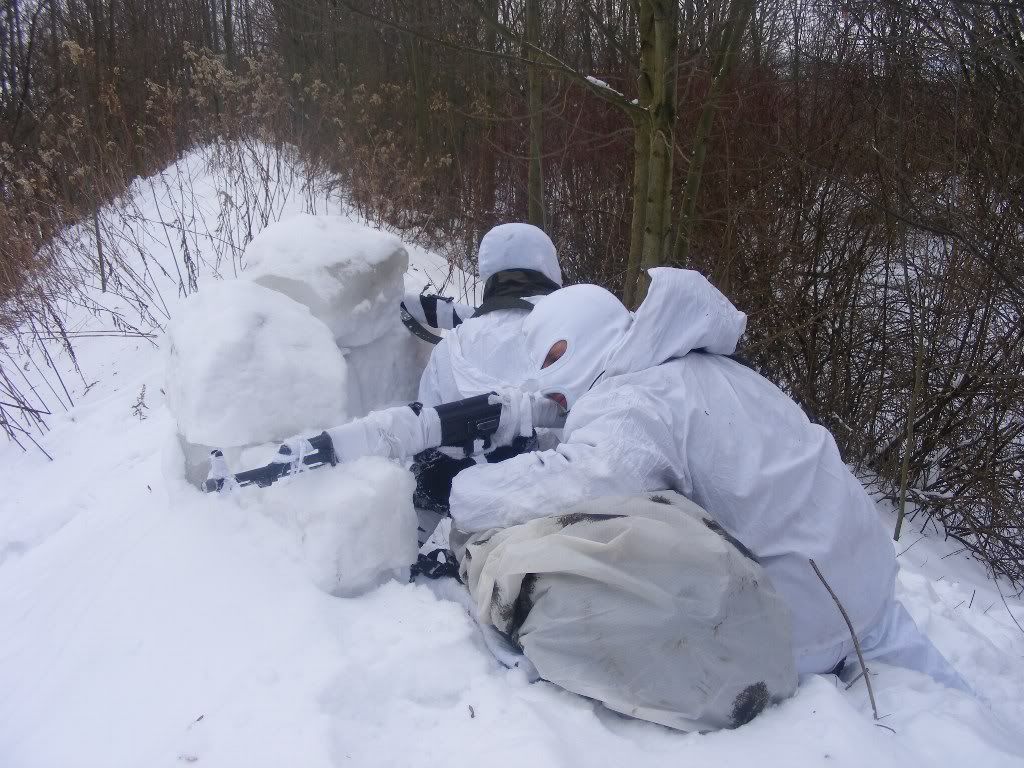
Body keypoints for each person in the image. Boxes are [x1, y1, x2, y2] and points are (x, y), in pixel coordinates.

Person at [442, 267, 967, 690]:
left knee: (591, 551)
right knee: (957, 718)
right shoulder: (694, 365)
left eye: (557, 354)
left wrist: (466, 490)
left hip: (804, 621)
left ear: (588, 338)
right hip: (866, 578)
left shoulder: (632, 400)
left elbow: (577, 480)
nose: (550, 375)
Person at [400, 223, 564, 530]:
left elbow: (428, 433)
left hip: (472, 516)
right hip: (562, 508)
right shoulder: (574, 332)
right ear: (548, 266)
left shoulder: (452, 345)